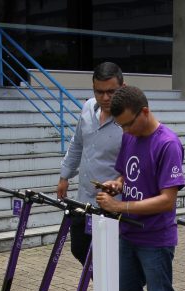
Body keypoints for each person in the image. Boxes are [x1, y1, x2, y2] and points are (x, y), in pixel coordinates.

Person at [96, 86, 185, 291]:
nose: (125, 130)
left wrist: (120, 206)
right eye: (121, 125)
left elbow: (166, 200)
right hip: (128, 233)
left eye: (128, 123)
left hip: (156, 238)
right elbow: (128, 175)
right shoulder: (130, 135)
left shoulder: (168, 144)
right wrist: (116, 184)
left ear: (144, 112)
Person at [57, 62, 125, 264]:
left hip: (111, 205)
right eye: (99, 92)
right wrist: (65, 176)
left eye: (111, 92)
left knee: (108, 259)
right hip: (84, 198)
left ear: (122, 87)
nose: (105, 98)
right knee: (80, 248)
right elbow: (77, 143)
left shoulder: (128, 121)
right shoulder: (88, 108)